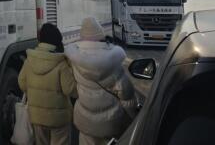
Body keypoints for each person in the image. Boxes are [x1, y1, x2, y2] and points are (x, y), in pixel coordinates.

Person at [65, 17, 138, 145]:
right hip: (110, 123)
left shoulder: (75, 60)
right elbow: (126, 95)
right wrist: (134, 117)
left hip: (85, 121)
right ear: (100, 34)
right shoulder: (113, 60)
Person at [18, 23, 77, 145]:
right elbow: (70, 90)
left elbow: (22, 84)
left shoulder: (29, 60)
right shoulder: (61, 62)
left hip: (37, 117)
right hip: (58, 119)